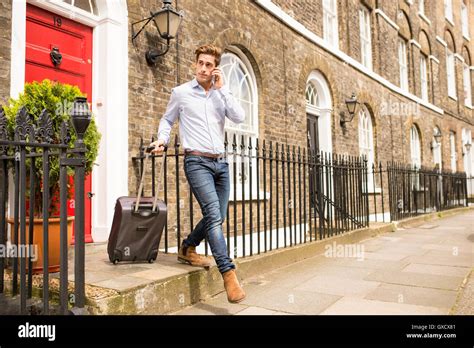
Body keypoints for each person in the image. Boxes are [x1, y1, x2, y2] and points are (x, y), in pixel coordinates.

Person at [150, 44, 246, 303]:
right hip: (197, 162)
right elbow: (167, 120)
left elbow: (240, 116)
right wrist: (162, 140)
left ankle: (188, 246)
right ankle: (228, 273)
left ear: (215, 67)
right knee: (213, 215)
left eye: (208, 64)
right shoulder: (181, 93)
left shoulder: (219, 94)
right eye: (200, 63)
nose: (203, 68)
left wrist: (223, 88)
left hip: (221, 164)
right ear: (195, 64)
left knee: (218, 216)